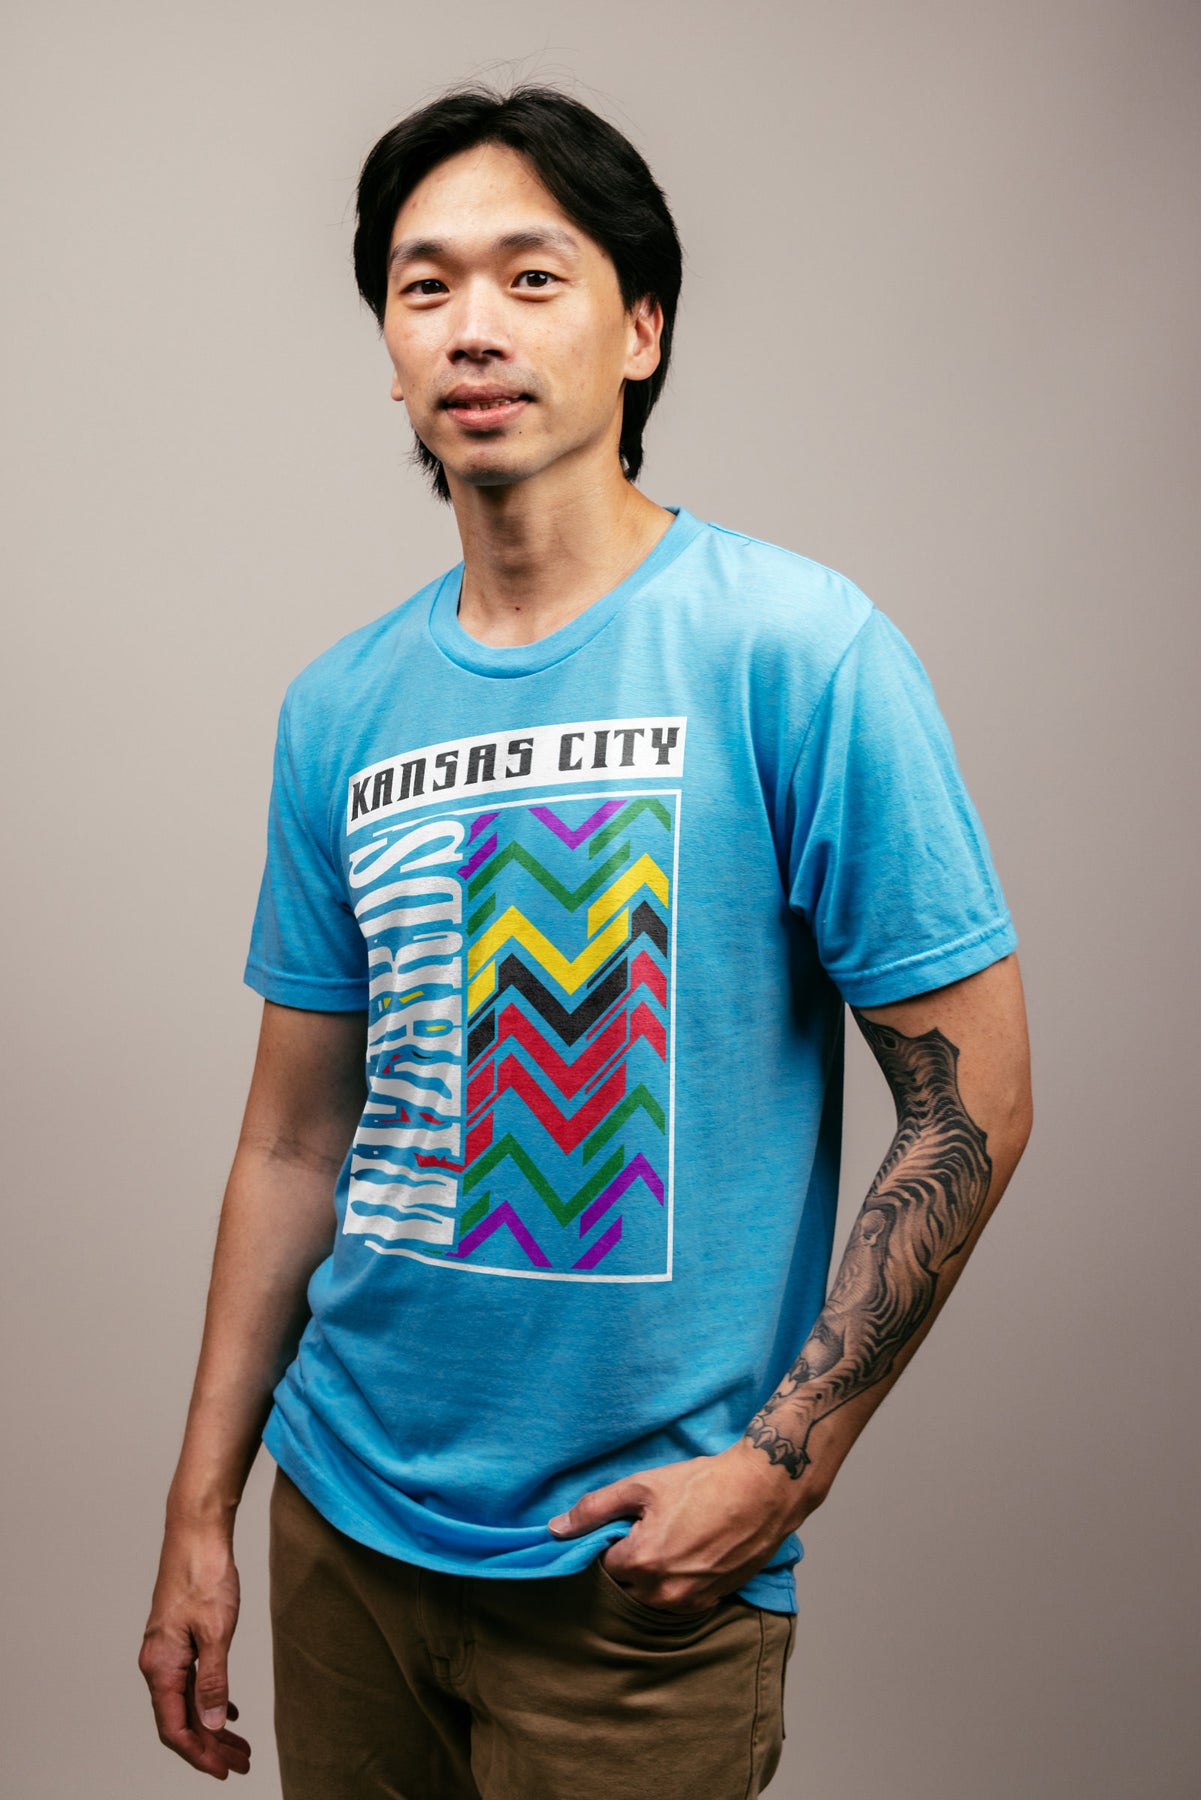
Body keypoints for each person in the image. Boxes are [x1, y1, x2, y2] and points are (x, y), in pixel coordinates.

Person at [138, 83, 1032, 1799]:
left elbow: (971, 1101)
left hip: (629, 1578)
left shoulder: (796, 651)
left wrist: (783, 1464)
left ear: (641, 328)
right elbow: (292, 1139)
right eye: (424, 286)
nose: (471, 327)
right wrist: (199, 1513)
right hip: (342, 1530)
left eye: (530, 276)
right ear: (389, 351)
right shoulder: (339, 707)